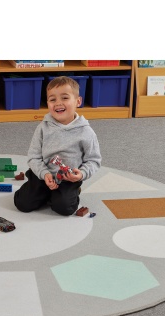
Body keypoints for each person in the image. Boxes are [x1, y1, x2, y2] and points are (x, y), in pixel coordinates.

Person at [14, 76, 101, 216]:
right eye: (52, 99)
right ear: (47, 103)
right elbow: (33, 157)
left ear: (78, 101)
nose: (58, 103)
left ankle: (68, 192)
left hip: (68, 179)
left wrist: (81, 174)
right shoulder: (43, 128)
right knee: (22, 204)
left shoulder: (86, 132)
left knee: (65, 208)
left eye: (65, 98)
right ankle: (42, 191)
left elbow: (94, 160)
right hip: (43, 175)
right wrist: (44, 174)